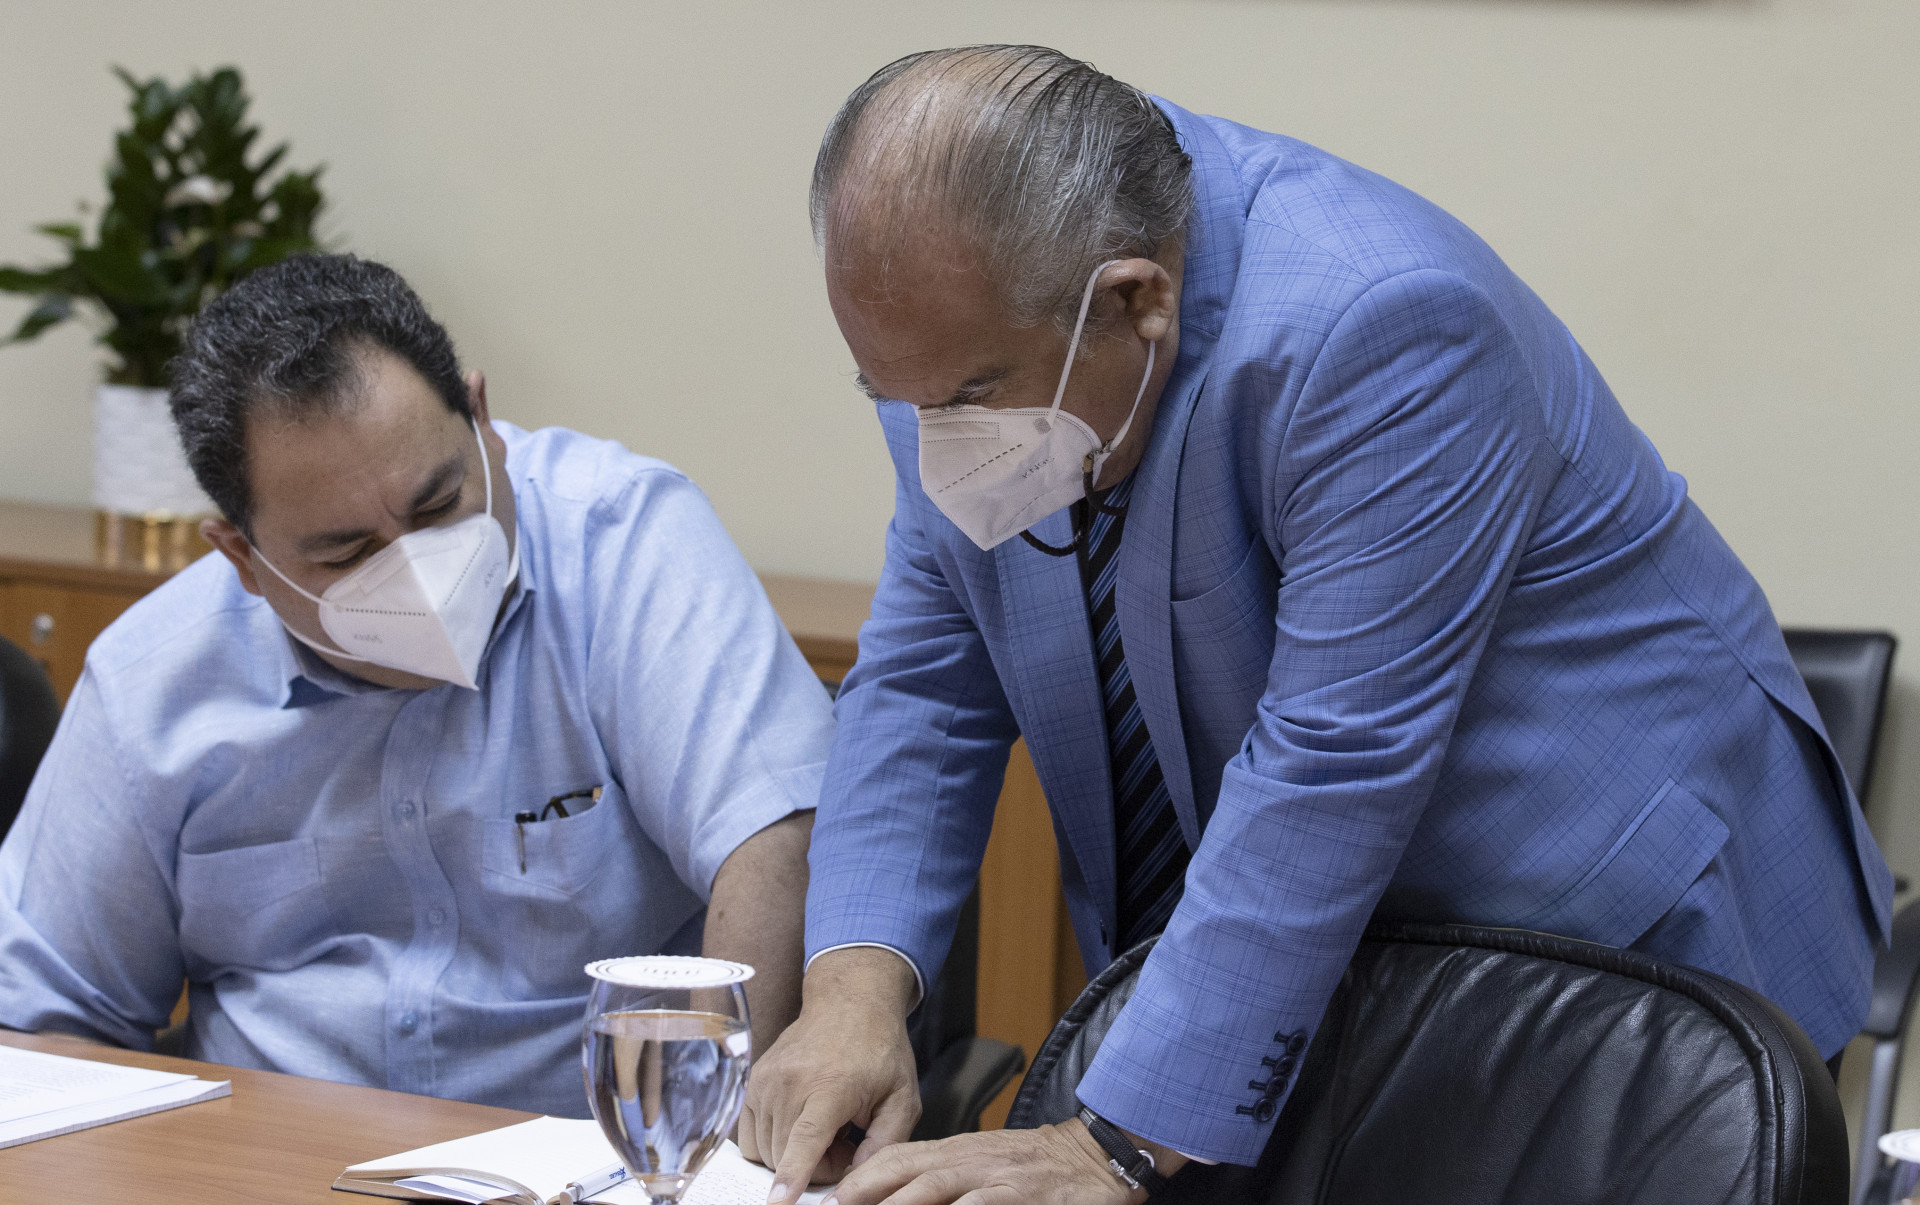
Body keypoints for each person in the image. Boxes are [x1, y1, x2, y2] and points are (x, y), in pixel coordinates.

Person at [742, 45, 1893, 1203]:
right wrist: (851, 993)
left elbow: (1334, 760)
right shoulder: (963, 333)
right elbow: (927, 682)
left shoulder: (1383, 323)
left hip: (1607, 926)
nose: (937, 439)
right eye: (895, 399)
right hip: (1305, 964)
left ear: (1137, 299)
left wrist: (1115, 1144)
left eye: (969, 397)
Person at [0, 254, 830, 1117]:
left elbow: (774, 839)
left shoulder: (624, 544)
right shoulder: (154, 681)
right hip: (274, 1157)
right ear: (243, 559)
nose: (421, 576)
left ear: (481, 421)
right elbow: (40, 1020)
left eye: (437, 504)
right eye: (347, 552)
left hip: (597, 1150)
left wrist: (691, 1143)